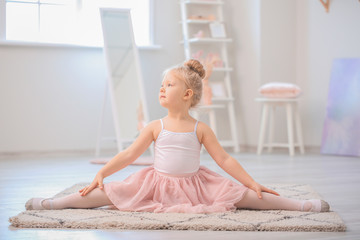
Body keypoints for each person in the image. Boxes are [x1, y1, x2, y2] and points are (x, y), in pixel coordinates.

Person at [26, 59, 329, 213]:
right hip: (155, 184)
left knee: (246, 197)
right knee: (109, 193)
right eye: (161, 84)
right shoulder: (155, 126)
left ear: (186, 94)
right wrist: (103, 172)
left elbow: (223, 158)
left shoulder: (201, 128)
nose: (161, 88)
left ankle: (299, 206)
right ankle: (55, 204)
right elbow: (130, 155)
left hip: (196, 186)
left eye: (168, 85)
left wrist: (250, 181)